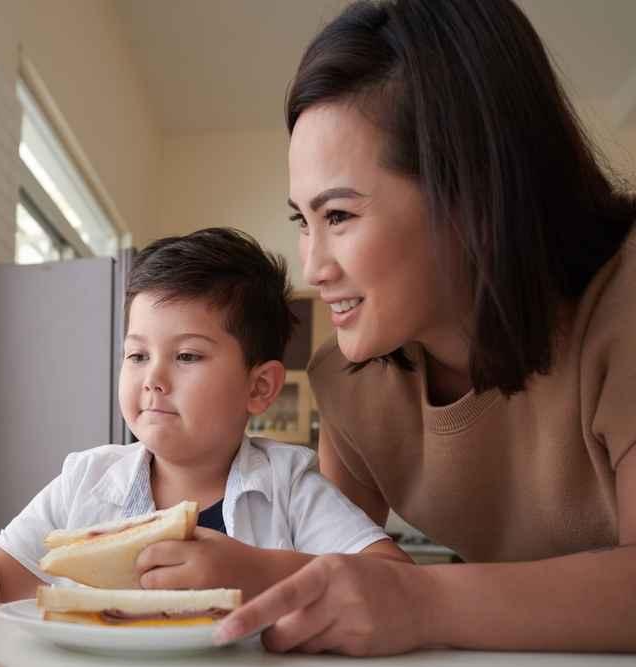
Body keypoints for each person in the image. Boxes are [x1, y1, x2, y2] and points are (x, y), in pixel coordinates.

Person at [214, 0, 636, 656]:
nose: (314, 268)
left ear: (470, 190)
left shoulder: (624, 304)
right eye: (303, 220)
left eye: (341, 215)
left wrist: (417, 597)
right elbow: (328, 581)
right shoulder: (349, 385)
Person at [0, 227, 410, 603]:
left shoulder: (288, 483)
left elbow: (394, 582)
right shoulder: (85, 480)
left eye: (186, 356)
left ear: (259, 387)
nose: (152, 377)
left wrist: (261, 573)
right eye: (137, 354)